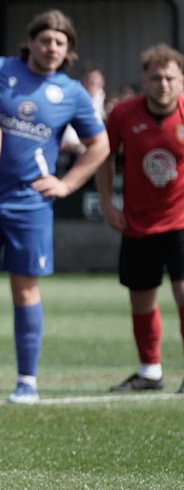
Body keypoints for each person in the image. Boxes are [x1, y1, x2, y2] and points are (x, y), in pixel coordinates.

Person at [0, 10, 109, 405]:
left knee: (25, 291)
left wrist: (68, 183)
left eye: (60, 43)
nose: (52, 48)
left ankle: (27, 382)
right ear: (31, 41)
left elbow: (100, 145)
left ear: (68, 49)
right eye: (45, 40)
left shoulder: (71, 92)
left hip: (30, 205)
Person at [95, 44, 184, 395]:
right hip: (138, 222)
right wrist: (106, 202)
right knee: (141, 299)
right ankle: (150, 371)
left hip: (180, 221)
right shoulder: (123, 114)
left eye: (170, 77)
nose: (163, 83)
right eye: (156, 77)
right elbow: (103, 157)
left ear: (180, 80)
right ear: (144, 80)